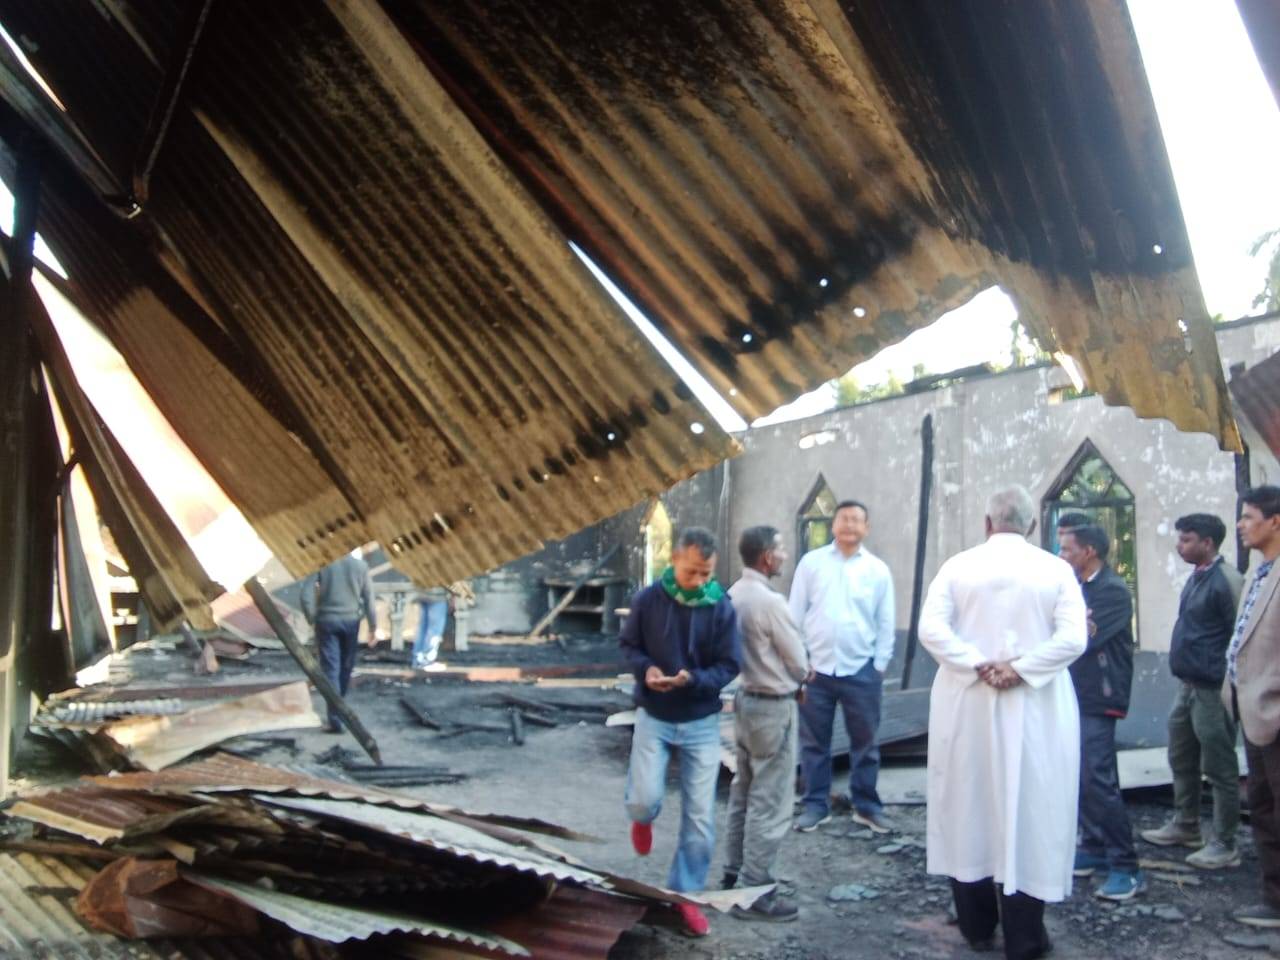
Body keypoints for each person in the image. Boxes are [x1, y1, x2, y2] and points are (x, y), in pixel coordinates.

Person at [919, 485, 1085, 960]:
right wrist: (1023, 668)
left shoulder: (958, 566)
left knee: (967, 805)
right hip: (1037, 708)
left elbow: (932, 629)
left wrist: (976, 664)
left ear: (987, 523)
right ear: (1033, 526)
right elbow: (1073, 639)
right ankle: (1026, 937)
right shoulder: (1055, 569)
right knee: (1031, 812)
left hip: (967, 703)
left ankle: (975, 927)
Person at [621, 527, 741, 937]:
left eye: (706, 573)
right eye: (692, 573)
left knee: (700, 817)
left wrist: (695, 680)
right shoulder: (647, 600)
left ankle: (685, 896)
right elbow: (629, 645)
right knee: (643, 799)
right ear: (674, 561)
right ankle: (642, 818)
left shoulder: (721, 606)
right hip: (654, 715)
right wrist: (647, 670)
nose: (700, 582)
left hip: (701, 721)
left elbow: (730, 665)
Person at [1140, 513, 1243, 868]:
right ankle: (1186, 825)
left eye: (1186, 540)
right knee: (1181, 756)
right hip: (1187, 686)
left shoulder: (1227, 581)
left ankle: (1225, 843)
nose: (1179, 546)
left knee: (1219, 766)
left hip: (1213, 690)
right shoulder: (1198, 577)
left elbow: (1241, 634)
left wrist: (1230, 685)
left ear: (1207, 543)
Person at [789, 500, 896, 834]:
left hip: (861, 671)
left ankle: (866, 806)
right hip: (816, 670)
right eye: (844, 519)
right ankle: (815, 805)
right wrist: (799, 660)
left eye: (857, 520)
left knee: (865, 743)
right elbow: (795, 613)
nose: (850, 525)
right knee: (813, 743)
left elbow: (886, 620)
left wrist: (878, 664)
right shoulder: (812, 563)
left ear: (866, 528)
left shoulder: (877, 570)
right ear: (833, 525)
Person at [724, 525, 810, 922]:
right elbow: (798, 661)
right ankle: (754, 889)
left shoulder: (733, 594)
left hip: (744, 700)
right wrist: (802, 678)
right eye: (780, 549)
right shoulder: (770, 602)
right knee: (770, 800)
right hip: (773, 705)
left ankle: (733, 873)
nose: (785, 556)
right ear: (765, 557)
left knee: (743, 791)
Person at [1058, 524, 1144, 900]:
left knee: (1098, 777)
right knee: (1080, 775)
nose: (1061, 557)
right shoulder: (1079, 588)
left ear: (1088, 551)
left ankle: (1125, 865)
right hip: (1077, 694)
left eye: (1066, 550)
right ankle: (1093, 847)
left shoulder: (1111, 591)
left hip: (1100, 696)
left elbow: (1081, 638)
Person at [1225, 486, 1280, 928]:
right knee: (1262, 808)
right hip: (1252, 713)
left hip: (1274, 715)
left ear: (1275, 521)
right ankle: (1273, 898)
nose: (1241, 525)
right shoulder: (1258, 573)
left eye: (1248, 516)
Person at [300, 550, 377, 733]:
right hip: (351, 622)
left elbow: (305, 594)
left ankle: (335, 718)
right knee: (346, 667)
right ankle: (339, 709)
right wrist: (373, 627)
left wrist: (312, 617)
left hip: (326, 621)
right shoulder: (361, 566)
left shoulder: (322, 564)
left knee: (331, 669)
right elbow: (369, 598)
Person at [412, 586, 450, 669]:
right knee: (435, 630)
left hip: (422, 592)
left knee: (423, 629)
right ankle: (427, 660)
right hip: (437, 595)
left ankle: (418, 660)